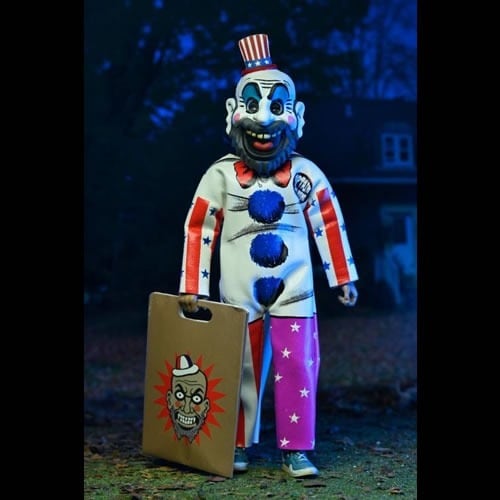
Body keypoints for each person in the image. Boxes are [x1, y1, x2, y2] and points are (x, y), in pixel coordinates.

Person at [178, 33, 358, 478]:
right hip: (239, 290)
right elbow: (199, 227)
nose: (263, 118)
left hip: (295, 289)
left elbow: (328, 220)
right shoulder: (220, 175)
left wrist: (342, 277)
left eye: (277, 106)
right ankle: (237, 442)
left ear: (296, 116)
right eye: (252, 104)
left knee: (298, 364)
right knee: (240, 364)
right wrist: (193, 285)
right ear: (232, 112)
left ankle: (297, 447)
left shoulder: (305, 174)